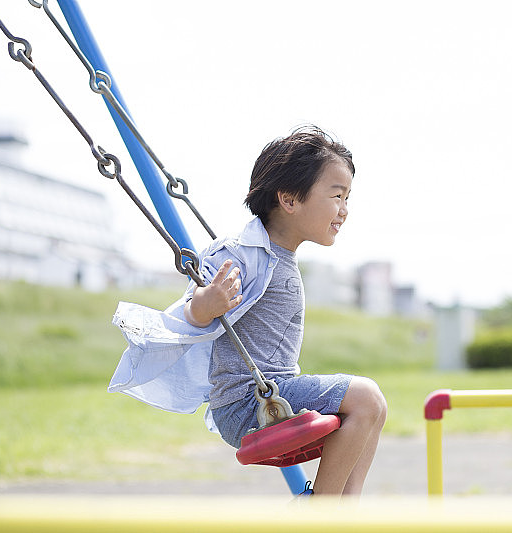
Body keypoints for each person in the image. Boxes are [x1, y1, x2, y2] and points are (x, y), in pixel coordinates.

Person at [109, 126, 387, 498]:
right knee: (366, 397)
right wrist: (206, 305)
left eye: (348, 198)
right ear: (289, 199)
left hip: (275, 393)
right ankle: (321, 511)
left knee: (375, 409)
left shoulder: (280, 256)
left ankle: (343, 508)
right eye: (337, 196)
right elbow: (193, 310)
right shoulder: (242, 253)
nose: (344, 210)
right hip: (248, 403)